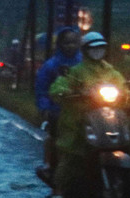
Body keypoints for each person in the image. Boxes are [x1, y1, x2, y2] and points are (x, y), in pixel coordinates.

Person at [49, 32, 130, 198]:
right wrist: (67, 93)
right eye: (93, 48)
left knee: (124, 141)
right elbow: (58, 87)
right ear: (85, 51)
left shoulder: (111, 72)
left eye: (100, 48)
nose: (97, 52)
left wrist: (128, 95)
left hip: (107, 119)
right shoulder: (76, 72)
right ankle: (58, 188)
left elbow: (124, 88)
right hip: (79, 120)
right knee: (71, 156)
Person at [35, 27, 81, 180]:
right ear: (60, 44)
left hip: (85, 110)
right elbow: (42, 89)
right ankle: (50, 164)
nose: (70, 46)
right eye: (67, 42)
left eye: (74, 42)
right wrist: (45, 107)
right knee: (54, 135)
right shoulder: (51, 66)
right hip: (58, 110)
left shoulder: (86, 63)